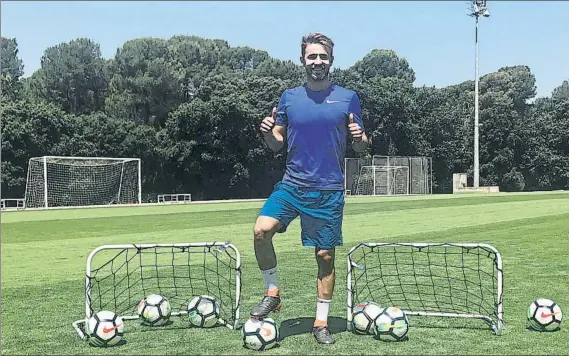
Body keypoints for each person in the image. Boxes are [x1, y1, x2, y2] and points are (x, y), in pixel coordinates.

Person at [251, 32, 369, 345]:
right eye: (312, 56)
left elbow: (362, 147)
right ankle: (272, 292)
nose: (317, 62)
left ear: (331, 60)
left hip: (328, 189)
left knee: (325, 255)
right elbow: (276, 144)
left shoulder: (347, 97)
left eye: (323, 57)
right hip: (292, 185)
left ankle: (320, 323)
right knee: (261, 230)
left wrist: (360, 137)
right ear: (303, 59)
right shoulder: (289, 97)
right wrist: (266, 132)